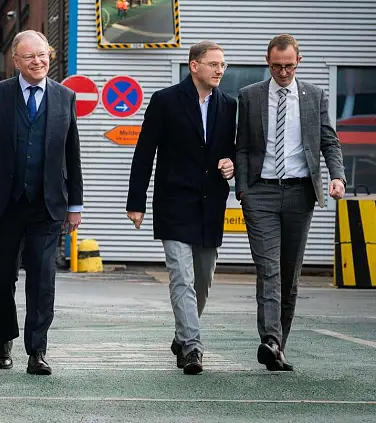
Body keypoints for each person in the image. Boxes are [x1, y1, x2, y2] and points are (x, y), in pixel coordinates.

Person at [0, 29, 83, 376]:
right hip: (5, 203)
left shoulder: (65, 97)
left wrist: (75, 204)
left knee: (43, 276)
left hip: (47, 204)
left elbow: (71, 154)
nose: (38, 61)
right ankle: (4, 340)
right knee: (4, 278)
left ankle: (37, 349)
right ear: (15, 61)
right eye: (30, 56)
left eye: (43, 54)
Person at [126, 41, 237, 375]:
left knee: (202, 281)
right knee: (182, 278)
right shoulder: (166, 101)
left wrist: (233, 165)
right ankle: (192, 347)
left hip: (210, 204)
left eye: (223, 65)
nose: (219, 70)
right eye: (213, 64)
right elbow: (144, 152)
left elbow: (235, 150)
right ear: (194, 66)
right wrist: (136, 202)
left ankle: (181, 334)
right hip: (174, 202)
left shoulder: (229, 105)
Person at [235, 33, 345, 371]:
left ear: (299, 62)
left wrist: (337, 176)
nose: (282, 72)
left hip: (300, 193)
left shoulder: (314, 96)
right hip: (261, 192)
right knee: (269, 268)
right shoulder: (249, 96)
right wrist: (243, 189)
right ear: (267, 63)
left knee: (290, 273)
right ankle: (269, 337)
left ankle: (278, 345)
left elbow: (329, 140)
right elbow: (240, 145)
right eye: (276, 66)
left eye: (288, 66)